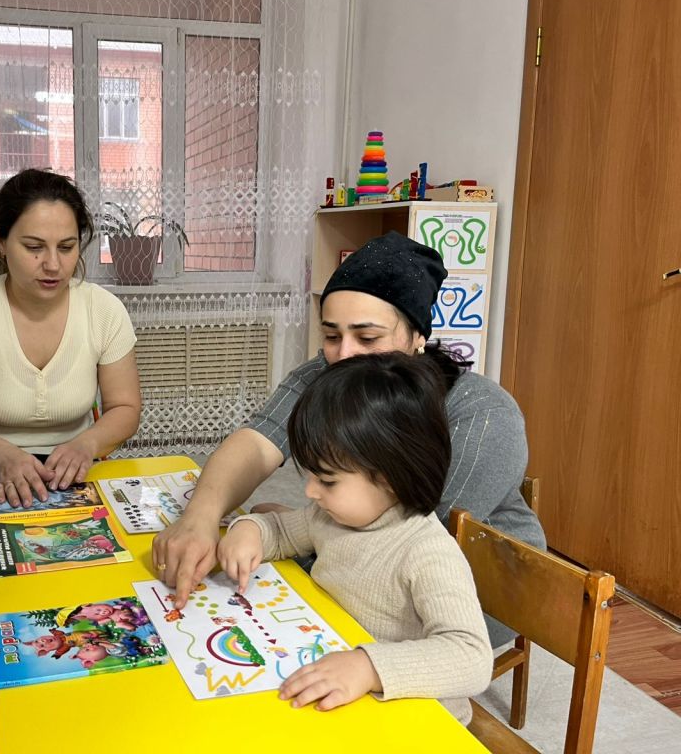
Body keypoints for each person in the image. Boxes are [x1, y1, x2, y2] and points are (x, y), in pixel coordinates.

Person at [152, 230, 544, 645]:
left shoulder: (482, 413)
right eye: (332, 335)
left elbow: (405, 538)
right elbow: (256, 442)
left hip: (469, 599)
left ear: (417, 337)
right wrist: (200, 517)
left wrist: (302, 528)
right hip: (357, 563)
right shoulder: (331, 374)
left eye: (368, 337)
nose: (344, 355)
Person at [217, 352, 493, 723]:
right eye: (310, 475)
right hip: (337, 679)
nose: (310, 492)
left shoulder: (426, 551)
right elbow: (281, 532)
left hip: (414, 718)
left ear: (391, 478)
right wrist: (249, 530)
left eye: (327, 480)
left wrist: (368, 667)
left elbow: (472, 657)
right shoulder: (330, 517)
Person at [0, 169, 141, 508]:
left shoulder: (104, 310)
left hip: (77, 473)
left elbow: (125, 407)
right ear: (0, 241)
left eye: (67, 247)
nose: (53, 264)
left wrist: (86, 445)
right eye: (34, 247)